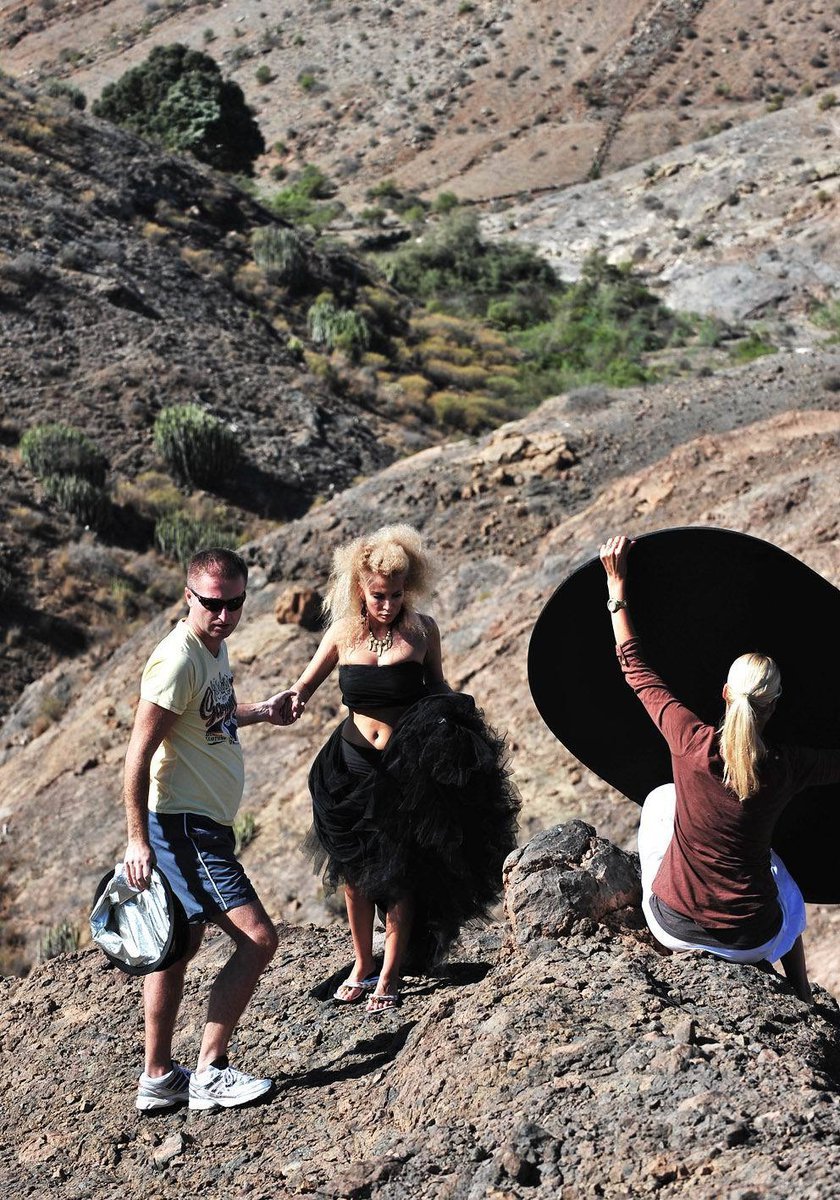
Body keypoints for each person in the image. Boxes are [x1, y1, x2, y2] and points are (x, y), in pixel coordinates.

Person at [280, 523, 520, 1015]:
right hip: (347, 767)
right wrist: (280, 704)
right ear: (359, 589)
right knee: (353, 875)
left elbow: (437, 685)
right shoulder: (343, 633)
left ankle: (389, 974)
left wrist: (461, 726)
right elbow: (302, 688)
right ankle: (361, 963)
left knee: (400, 874)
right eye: (376, 596)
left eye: (394, 594)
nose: (386, 605)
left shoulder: (422, 630)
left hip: (404, 771)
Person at [599, 533, 840, 1002]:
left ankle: (677, 970)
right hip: (753, 941)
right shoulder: (787, 767)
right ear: (774, 707)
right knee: (786, 883)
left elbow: (635, 668)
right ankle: (802, 994)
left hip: (674, 928)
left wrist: (616, 589)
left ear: (726, 694)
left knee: (659, 800)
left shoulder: (690, 741)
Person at [123, 547, 296, 1112]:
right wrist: (137, 840)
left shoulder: (210, 651)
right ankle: (210, 1072)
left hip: (199, 823)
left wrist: (262, 712)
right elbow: (137, 755)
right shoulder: (178, 659)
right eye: (212, 604)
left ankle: (157, 1077)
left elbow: (210, 714)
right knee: (258, 939)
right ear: (188, 597)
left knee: (179, 948)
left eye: (235, 603)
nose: (224, 615)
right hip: (186, 826)